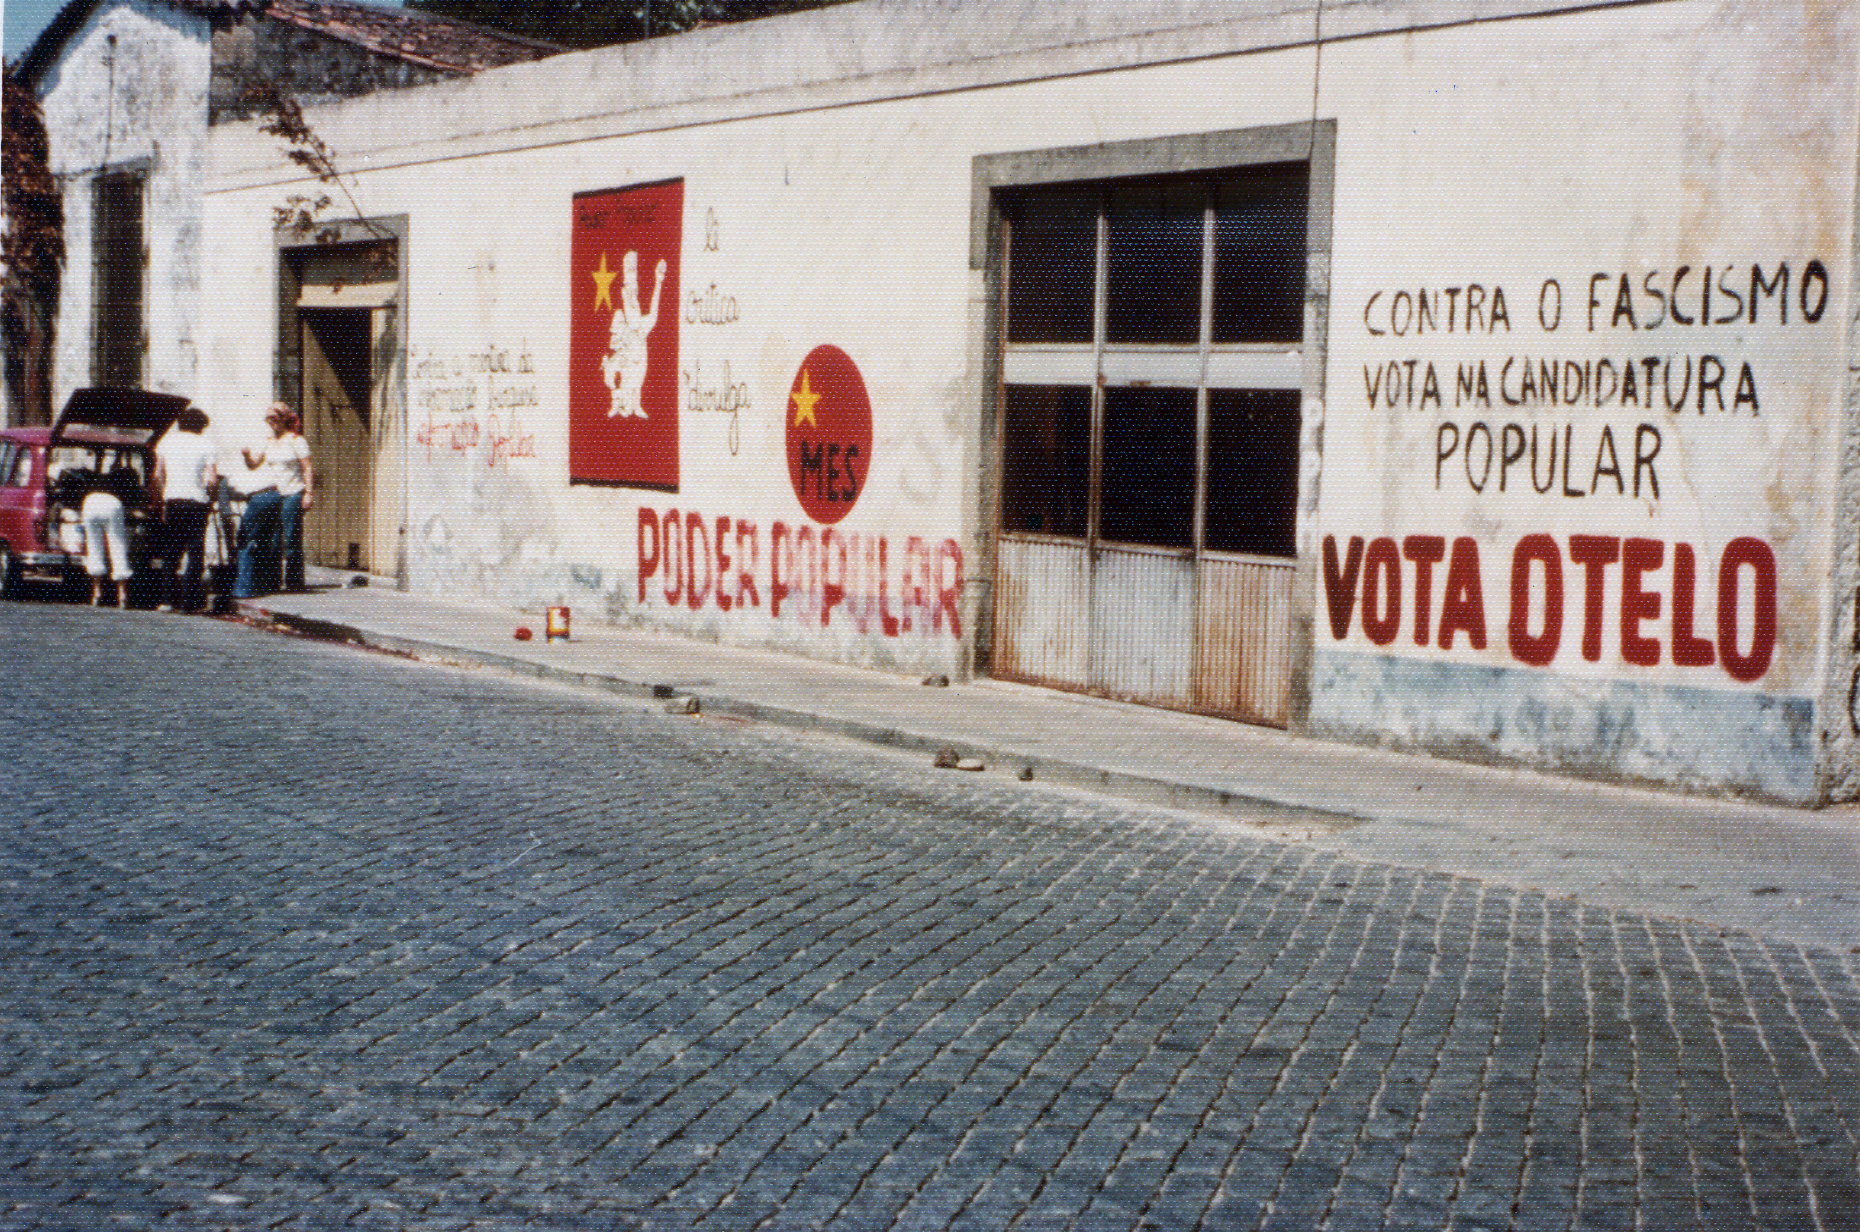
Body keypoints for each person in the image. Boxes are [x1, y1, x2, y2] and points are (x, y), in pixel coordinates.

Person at [233, 403, 314, 599]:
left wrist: (308, 493)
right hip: (274, 494)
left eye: (274, 419)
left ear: (284, 419)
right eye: (268, 419)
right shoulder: (269, 442)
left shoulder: (296, 441)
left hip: (292, 492)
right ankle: (273, 580)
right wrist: (245, 456)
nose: (271, 423)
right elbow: (254, 464)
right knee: (272, 538)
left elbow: (307, 468)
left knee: (291, 537)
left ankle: (294, 581)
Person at [153, 406, 219, 612]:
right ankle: (188, 602)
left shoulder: (166, 442)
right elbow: (211, 479)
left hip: (173, 500)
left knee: (171, 550)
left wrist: (161, 500)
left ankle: (166, 599)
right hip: (196, 501)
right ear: (201, 426)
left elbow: (156, 476)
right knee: (195, 550)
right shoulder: (206, 444)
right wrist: (211, 498)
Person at [81, 465, 140, 608]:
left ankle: (97, 593)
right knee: (117, 546)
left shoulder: (93, 483)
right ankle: (122, 594)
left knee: (94, 546)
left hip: (90, 502)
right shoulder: (124, 481)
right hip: (112, 503)